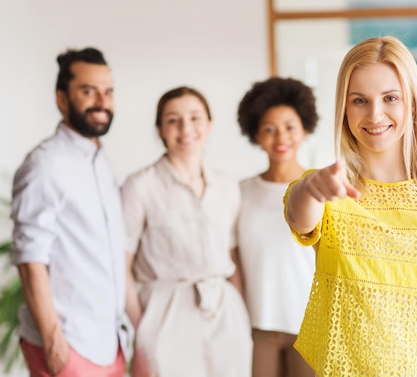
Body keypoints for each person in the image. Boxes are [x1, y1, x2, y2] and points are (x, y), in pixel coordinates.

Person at [283, 36, 417, 377]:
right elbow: (299, 215)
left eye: (390, 98)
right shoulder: (326, 189)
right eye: (359, 100)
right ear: (344, 107)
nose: (375, 114)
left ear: (412, 103)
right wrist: (312, 188)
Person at [11, 47, 127, 376]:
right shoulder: (44, 165)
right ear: (62, 99)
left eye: (108, 92)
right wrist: (52, 340)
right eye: (88, 92)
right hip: (67, 345)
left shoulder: (103, 164)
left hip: (109, 343)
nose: (102, 102)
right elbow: (30, 258)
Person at [122, 86, 252, 377]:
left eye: (195, 118)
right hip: (165, 312)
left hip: (223, 310)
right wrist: (142, 328)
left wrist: (239, 310)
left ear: (209, 125)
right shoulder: (140, 186)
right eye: (173, 120)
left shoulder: (227, 185)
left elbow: (232, 257)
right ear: (160, 130)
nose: (186, 128)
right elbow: (121, 265)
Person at [237, 77, 319, 377]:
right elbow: (233, 261)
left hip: (311, 326)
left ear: (305, 129)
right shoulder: (241, 192)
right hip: (259, 325)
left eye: (289, 126)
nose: (280, 136)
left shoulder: (319, 188)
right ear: (256, 135)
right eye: (269, 128)